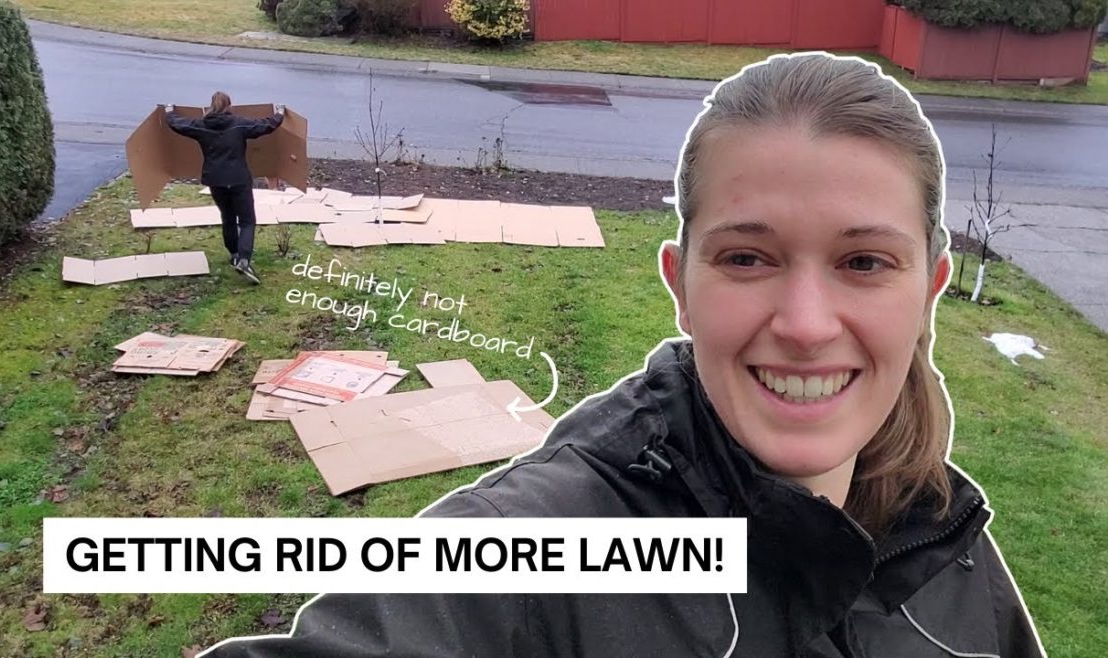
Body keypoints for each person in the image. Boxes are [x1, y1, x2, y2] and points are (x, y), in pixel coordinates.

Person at [205, 53, 1047, 657]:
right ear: (681, 285)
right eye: (747, 258)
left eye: (864, 262)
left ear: (930, 285)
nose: (803, 323)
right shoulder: (535, 553)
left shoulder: (942, 538)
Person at [164, 91, 285, 285]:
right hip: (238, 179)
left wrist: (169, 111)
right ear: (229, 105)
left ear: (211, 105)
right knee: (247, 220)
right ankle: (244, 260)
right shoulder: (239, 124)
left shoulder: (201, 126)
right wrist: (279, 113)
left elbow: (178, 124)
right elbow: (266, 125)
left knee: (227, 217)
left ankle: (235, 254)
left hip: (216, 180)